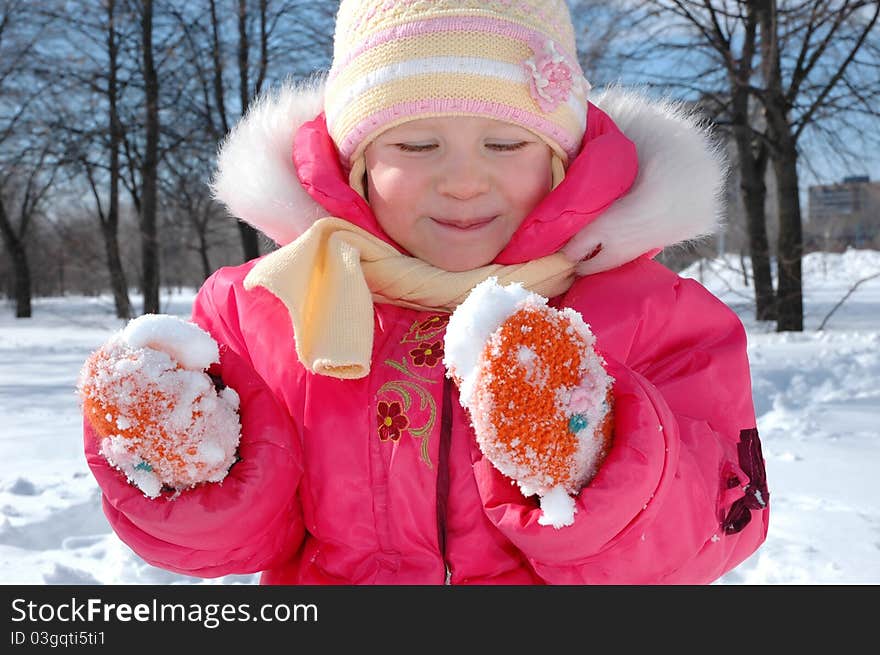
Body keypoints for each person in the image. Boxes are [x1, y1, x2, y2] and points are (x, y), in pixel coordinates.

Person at [81, 0, 769, 584]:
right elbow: (248, 537)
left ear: (561, 158)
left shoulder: (654, 313)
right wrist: (186, 459)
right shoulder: (270, 309)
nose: (464, 181)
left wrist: (592, 456)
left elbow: (717, 519)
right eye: (415, 146)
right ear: (355, 165)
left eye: (505, 143)